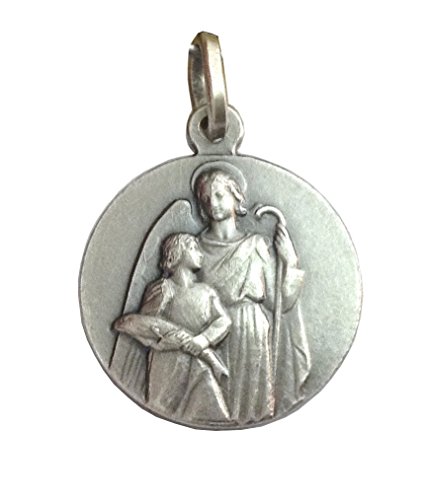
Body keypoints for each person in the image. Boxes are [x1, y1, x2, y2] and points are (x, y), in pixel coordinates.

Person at [193, 161, 310, 425]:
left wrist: (290, 261)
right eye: (206, 198)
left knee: (249, 410)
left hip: (251, 329)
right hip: (212, 330)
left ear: (236, 198)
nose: (213, 203)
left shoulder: (257, 245)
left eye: (220, 195)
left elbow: (280, 303)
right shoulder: (196, 248)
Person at [114, 233, 231, 424]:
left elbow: (224, 320)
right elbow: (145, 325)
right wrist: (164, 341)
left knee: (209, 401)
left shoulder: (206, 292)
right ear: (177, 253)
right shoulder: (164, 289)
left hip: (198, 362)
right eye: (193, 248)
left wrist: (203, 340)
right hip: (168, 364)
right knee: (165, 408)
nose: (200, 253)